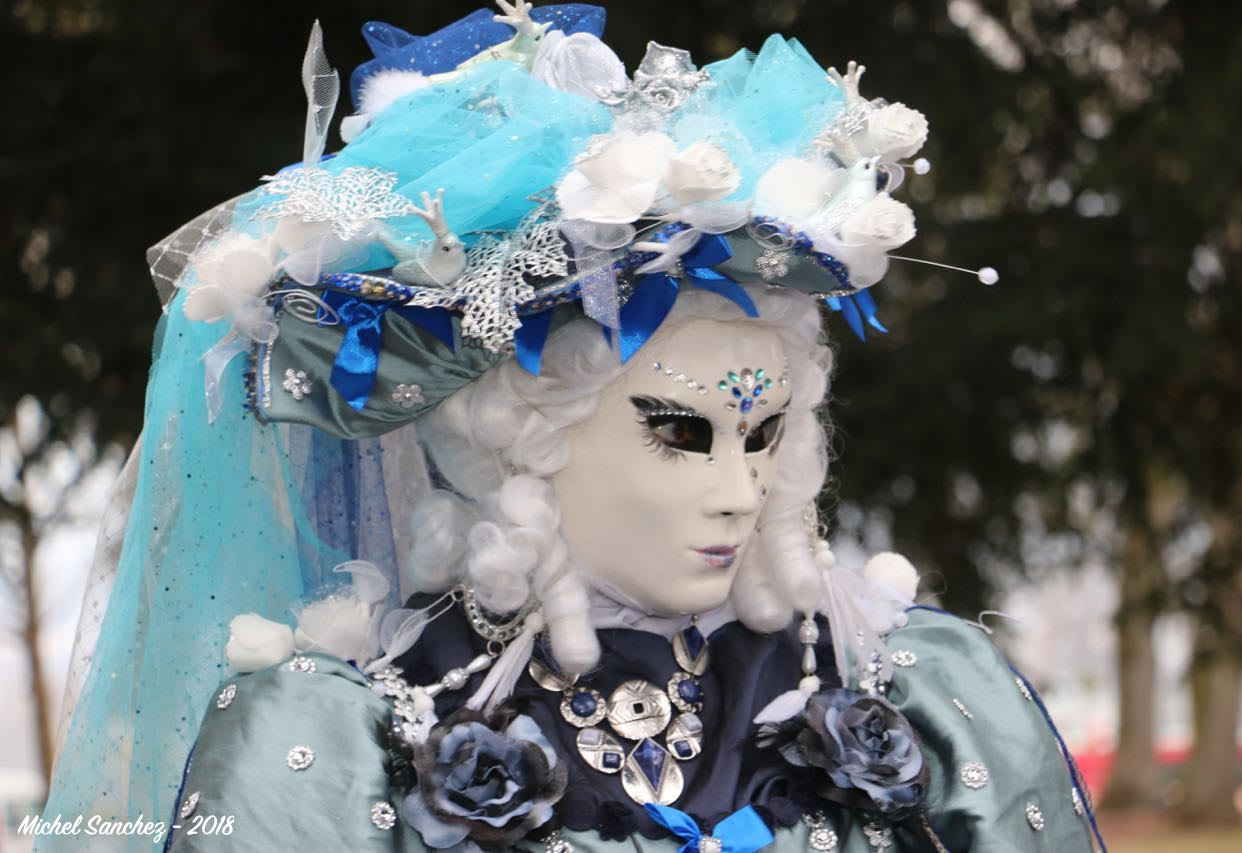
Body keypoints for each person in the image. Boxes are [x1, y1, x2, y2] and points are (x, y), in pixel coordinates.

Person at [39, 3, 1104, 851]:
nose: (738, 491)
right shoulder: (339, 739)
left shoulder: (911, 686)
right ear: (517, 443)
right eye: (680, 432)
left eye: (764, 435)